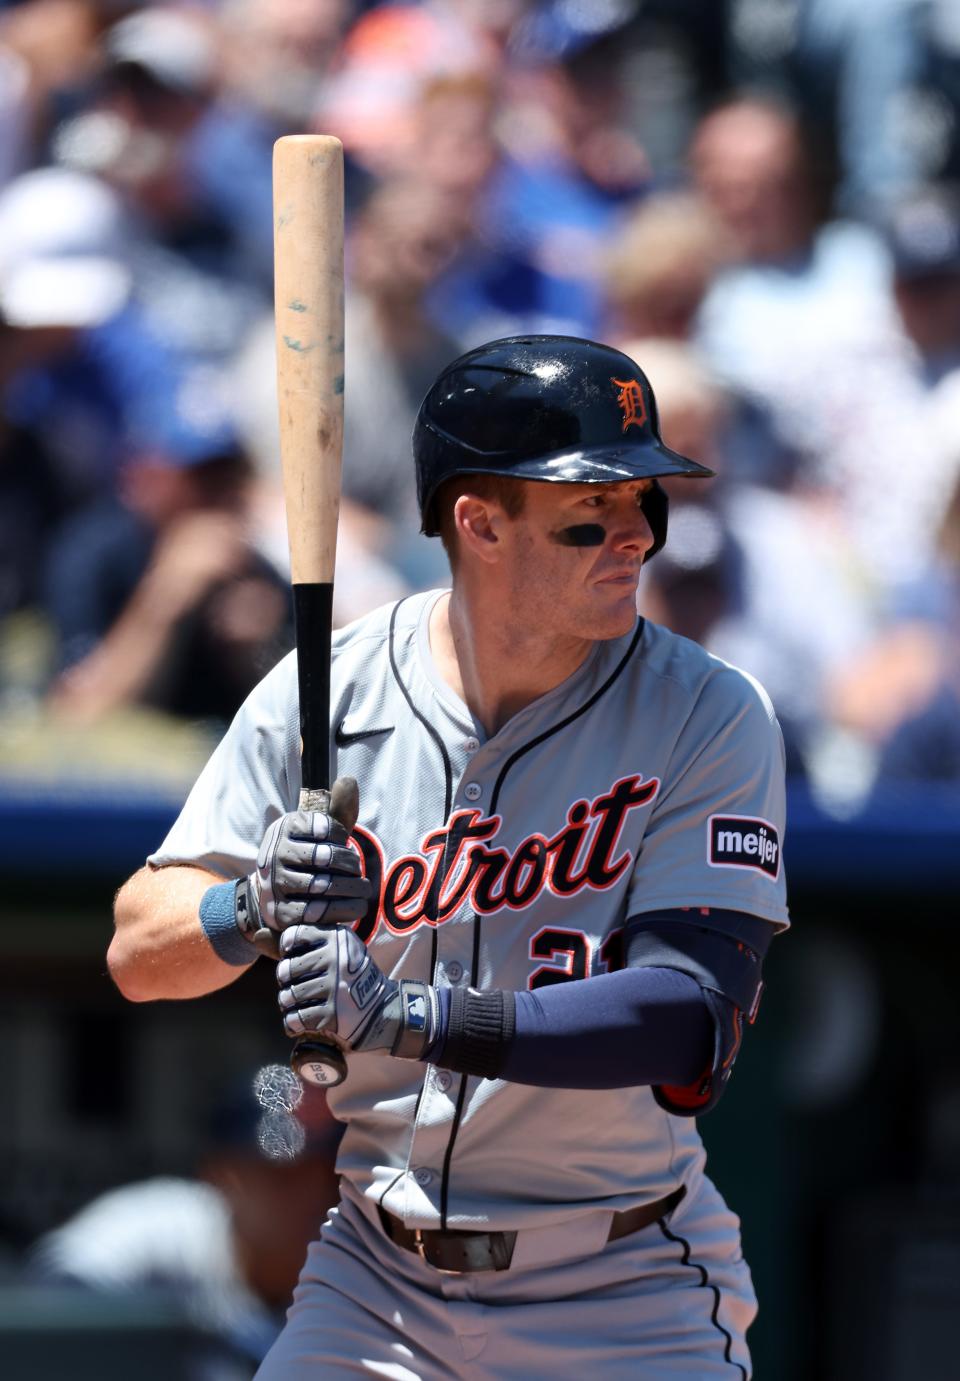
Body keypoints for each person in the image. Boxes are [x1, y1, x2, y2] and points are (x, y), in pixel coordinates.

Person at [109, 336, 790, 1378]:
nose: (633, 539)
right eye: (587, 514)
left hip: (617, 1284)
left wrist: (409, 1016)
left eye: (645, 504)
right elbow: (137, 950)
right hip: (376, 1276)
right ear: (479, 523)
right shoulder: (332, 692)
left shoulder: (709, 711)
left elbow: (687, 1014)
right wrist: (249, 907)